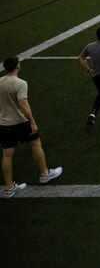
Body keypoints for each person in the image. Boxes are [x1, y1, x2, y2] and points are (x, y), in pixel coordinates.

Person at [1, 57, 62, 198]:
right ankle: (44, 174)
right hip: (21, 121)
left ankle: (9, 188)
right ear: (17, 66)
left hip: (4, 123)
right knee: (35, 143)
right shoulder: (21, 83)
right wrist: (32, 122)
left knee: (7, 154)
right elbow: (24, 105)